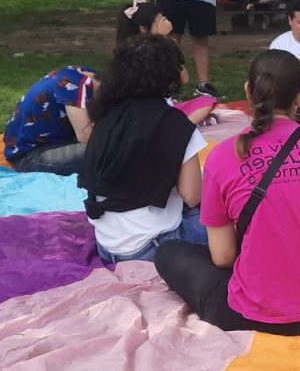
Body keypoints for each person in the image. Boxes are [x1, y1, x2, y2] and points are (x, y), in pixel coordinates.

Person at [155, 50, 300, 334]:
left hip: (255, 314)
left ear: (248, 92)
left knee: (168, 253)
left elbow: (223, 258)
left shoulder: (223, 156)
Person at [78, 35, 207, 262]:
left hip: (107, 245)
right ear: (170, 75)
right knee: (227, 217)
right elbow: (192, 195)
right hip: (153, 247)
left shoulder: (107, 115)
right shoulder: (175, 123)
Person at [117, 0, 217, 125]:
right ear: (144, 29)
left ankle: (175, 124)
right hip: (145, 111)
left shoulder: (165, 47)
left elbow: (184, 78)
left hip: (164, 107)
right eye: (161, 21)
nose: (167, 23)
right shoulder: (137, 54)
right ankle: (176, 126)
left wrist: (169, 44)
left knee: (206, 102)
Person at [3, 65, 96, 175]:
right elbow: (86, 137)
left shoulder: (83, 73)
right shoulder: (76, 86)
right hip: (29, 155)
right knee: (109, 151)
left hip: (44, 143)